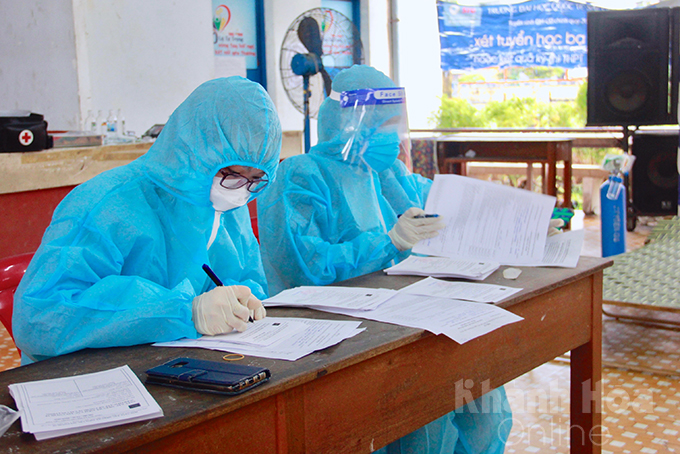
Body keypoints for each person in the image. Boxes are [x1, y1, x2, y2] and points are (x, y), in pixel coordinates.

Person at [257, 64, 512, 453]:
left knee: (486, 403)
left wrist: (514, 219)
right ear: (351, 123)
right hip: (335, 338)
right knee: (424, 424)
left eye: (395, 125)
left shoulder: (384, 171)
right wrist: (388, 241)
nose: (392, 137)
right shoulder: (300, 176)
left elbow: (442, 205)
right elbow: (307, 266)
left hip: (406, 318)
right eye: (383, 125)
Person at [13, 76, 282, 364]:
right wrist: (184, 311)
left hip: (178, 367)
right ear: (194, 148)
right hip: (88, 379)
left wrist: (242, 303)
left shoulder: (228, 208)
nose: (241, 191)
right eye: (231, 174)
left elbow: (245, 278)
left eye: (255, 180)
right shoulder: (107, 203)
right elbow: (41, 316)